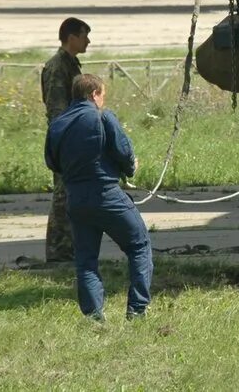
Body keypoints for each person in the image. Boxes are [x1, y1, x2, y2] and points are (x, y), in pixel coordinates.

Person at [45, 73, 152, 321]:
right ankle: (137, 310)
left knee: (86, 260)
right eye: (102, 95)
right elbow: (123, 151)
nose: (103, 100)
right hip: (107, 195)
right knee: (139, 246)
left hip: (76, 199)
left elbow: (53, 162)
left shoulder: (57, 125)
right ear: (94, 94)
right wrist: (131, 168)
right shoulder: (102, 117)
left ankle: (93, 317)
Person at [40, 17, 91, 262]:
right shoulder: (58, 67)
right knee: (63, 198)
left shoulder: (70, 64)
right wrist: (65, 143)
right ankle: (58, 250)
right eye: (84, 36)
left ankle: (69, 248)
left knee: (71, 195)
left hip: (72, 139)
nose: (88, 41)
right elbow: (56, 110)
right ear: (71, 37)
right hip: (64, 142)